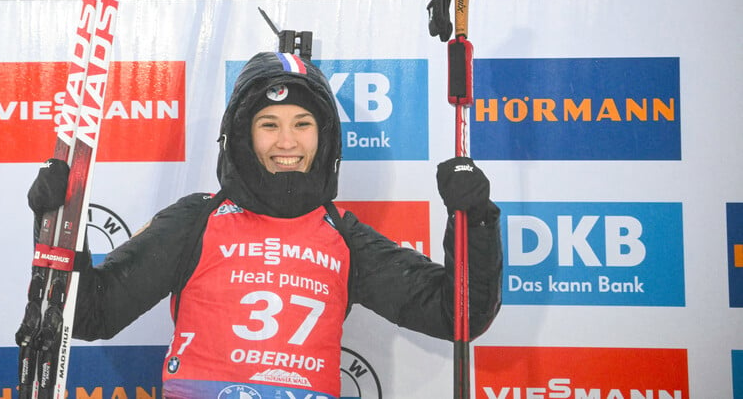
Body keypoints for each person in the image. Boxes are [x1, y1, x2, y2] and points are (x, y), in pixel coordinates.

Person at [28, 51, 502, 398]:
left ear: (325, 136)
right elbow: (92, 314)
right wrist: (57, 226)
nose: (287, 141)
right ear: (242, 136)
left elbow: (457, 314)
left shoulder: (344, 237)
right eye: (269, 124)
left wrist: (475, 219)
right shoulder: (197, 220)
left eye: (303, 123)